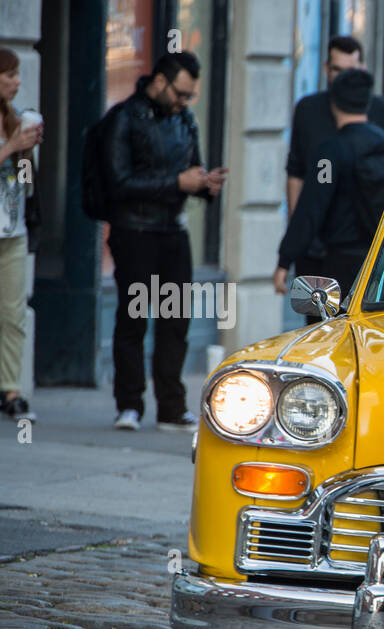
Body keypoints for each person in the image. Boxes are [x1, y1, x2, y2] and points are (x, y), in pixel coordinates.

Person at [99, 50, 225, 431]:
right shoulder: (124, 118)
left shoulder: (184, 120)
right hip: (134, 232)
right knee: (133, 318)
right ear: (160, 82)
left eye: (191, 96)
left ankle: (171, 407)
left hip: (173, 232)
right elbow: (117, 183)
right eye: (181, 94)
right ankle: (129, 405)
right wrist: (176, 183)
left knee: (175, 321)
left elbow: (193, 171)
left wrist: (206, 185)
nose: (185, 102)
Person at [274, 69, 384, 315]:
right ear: (367, 104)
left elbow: (311, 209)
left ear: (334, 104)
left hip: (338, 267)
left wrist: (285, 260)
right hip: (382, 265)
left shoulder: (330, 152)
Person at [285, 36, 384, 278]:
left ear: (362, 69)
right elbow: (296, 173)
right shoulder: (308, 110)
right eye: (337, 70)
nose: (342, 78)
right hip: (315, 244)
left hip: (367, 245)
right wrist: (298, 237)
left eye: (349, 70)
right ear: (326, 67)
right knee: (317, 313)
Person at [0, 45, 41, 422]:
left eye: (18, 75)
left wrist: (27, 154)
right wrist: (9, 147)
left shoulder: (20, 119)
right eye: (9, 76)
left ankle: (12, 391)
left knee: (13, 314)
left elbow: (26, 185)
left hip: (13, 229)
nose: (17, 82)